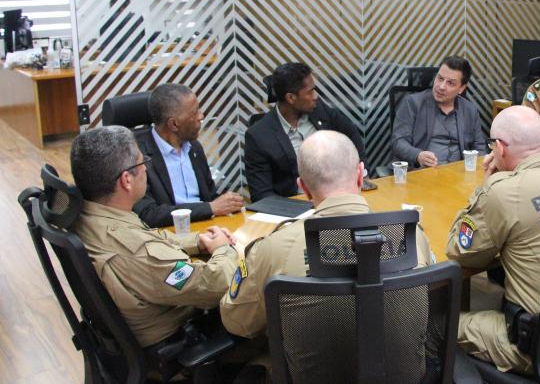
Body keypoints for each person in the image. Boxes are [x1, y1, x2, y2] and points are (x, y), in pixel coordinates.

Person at [221, 130, 434, 339]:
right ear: (361, 176)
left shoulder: (271, 250)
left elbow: (239, 323)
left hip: (307, 374)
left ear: (303, 188)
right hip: (406, 372)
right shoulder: (411, 236)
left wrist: (224, 254)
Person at [446, 106, 540, 374]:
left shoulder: (503, 192)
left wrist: (483, 190)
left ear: (499, 147)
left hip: (539, 346)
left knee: (441, 325)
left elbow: (459, 252)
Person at [70, 126, 238, 348]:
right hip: (176, 337)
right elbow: (216, 285)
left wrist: (197, 241)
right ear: (126, 180)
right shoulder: (139, 253)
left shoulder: (90, 213)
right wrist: (223, 249)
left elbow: (149, 235)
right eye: (143, 163)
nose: (146, 169)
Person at [244, 62, 365, 201]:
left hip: (337, 197)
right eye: (310, 92)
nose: (315, 96)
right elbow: (262, 195)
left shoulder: (319, 110)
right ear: (291, 98)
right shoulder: (258, 136)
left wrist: (358, 174)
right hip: (293, 207)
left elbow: (352, 134)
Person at [133, 83, 245, 227]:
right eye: (194, 113)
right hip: (169, 235)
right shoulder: (138, 157)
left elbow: (210, 197)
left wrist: (229, 203)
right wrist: (210, 208)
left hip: (208, 227)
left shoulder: (194, 147)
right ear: (174, 124)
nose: (201, 116)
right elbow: (149, 214)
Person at [392, 56, 487, 168]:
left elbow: (479, 147)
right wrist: (418, 155)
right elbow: (398, 142)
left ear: (461, 88)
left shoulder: (469, 110)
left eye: (450, 83)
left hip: (459, 175)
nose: (441, 87)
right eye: (440, 78)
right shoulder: (412, 103)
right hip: (423, 174)